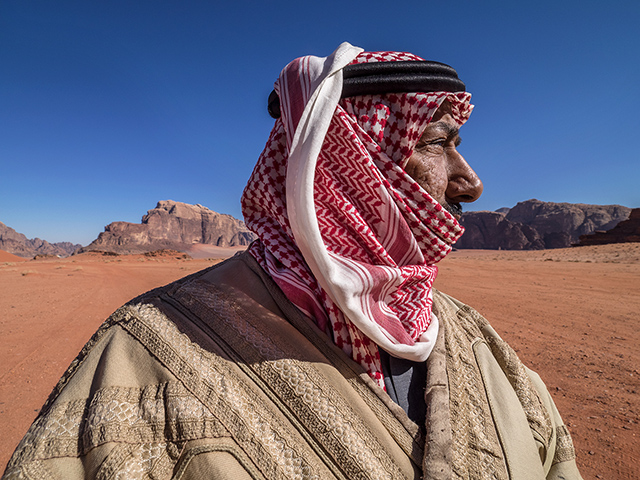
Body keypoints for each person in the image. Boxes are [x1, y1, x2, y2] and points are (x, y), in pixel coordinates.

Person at [3, 43, 582, 479]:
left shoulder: (477, 342)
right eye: (436, 143)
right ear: (342, 166)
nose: (472, 182)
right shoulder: (143, 354)